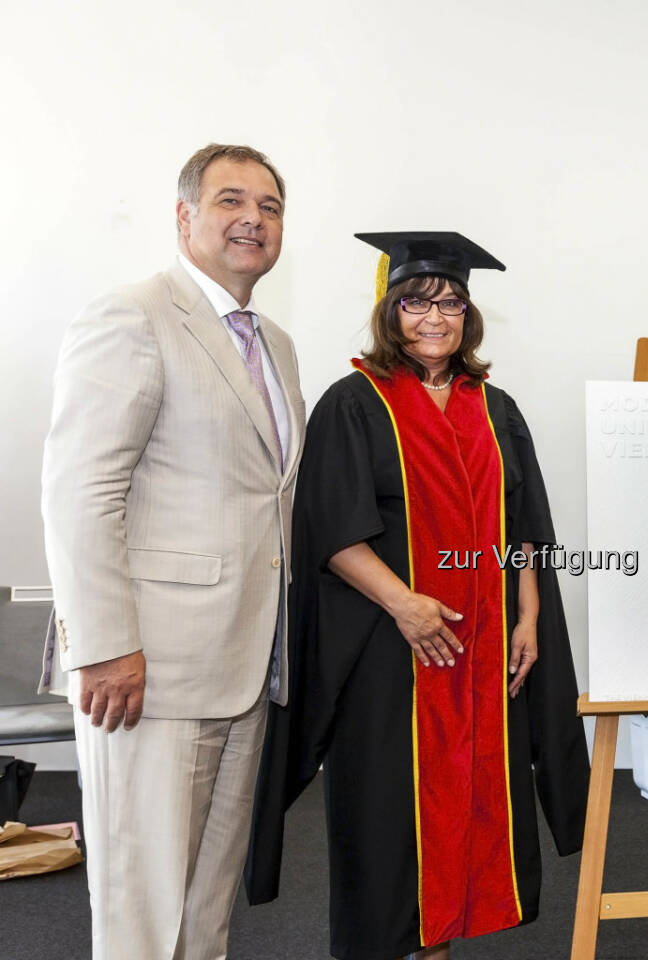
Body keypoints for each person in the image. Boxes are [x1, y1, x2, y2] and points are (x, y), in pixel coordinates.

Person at [246, 232, 589, 960]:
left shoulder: (497, 409)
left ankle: (441, 948)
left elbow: (524, 527)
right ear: (389, 310)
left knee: (468, 805)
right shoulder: (354, 403)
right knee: (389, 816)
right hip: (388, 652)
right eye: (417, 302)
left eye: (451, 303)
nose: (435, 317)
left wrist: (529, 617)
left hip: (484, 648)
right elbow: (329, 530)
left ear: (469, 316)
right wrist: (403, 604)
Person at [39, 143, 303, 959]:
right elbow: (79, 492)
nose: (252, 219)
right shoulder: (134, 315)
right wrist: (108, 645)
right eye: (230, 201)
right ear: (184, 217)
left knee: (204, 912)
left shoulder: (275, 345)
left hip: (244, 666)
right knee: (141, 912)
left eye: (269, 206)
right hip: (146, 674)